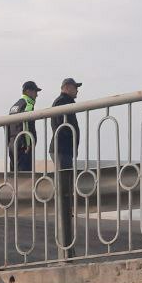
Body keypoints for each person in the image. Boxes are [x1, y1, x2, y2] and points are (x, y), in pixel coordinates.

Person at [50, 77, 83, 255]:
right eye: (75, 87)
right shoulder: (62, 102)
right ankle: (64, 214)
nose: (77, 90)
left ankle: (66, 211)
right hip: (62, 149)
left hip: (64, 150)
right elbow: (58, 125)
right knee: (64, 183)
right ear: (67, 88)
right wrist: (67, 142)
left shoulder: (66, 102)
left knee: (66, 182)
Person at [6, 80, 40, 172]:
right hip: (23, 146)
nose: (37, 95)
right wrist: (28, 144)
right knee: (25, 177)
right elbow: (26, 124)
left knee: (14, 175)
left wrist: (8, 144)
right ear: (28, 91)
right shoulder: (28, 104)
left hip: (12, 144)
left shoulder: (14, 106)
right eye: (35, 91)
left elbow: (7, 125)